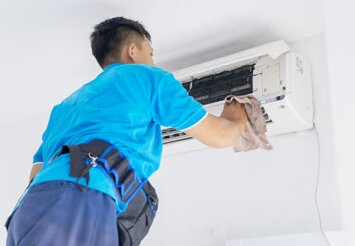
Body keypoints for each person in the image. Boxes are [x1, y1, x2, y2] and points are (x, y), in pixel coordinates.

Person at [5, 17, 248, 245]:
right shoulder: (147, 77)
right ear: (133, 50)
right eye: (150, 54)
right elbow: (220, 136)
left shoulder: (64, 108)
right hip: (79, 196)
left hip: (27, 210)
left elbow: (35, 177)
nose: (153, 62)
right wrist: (238, 116)